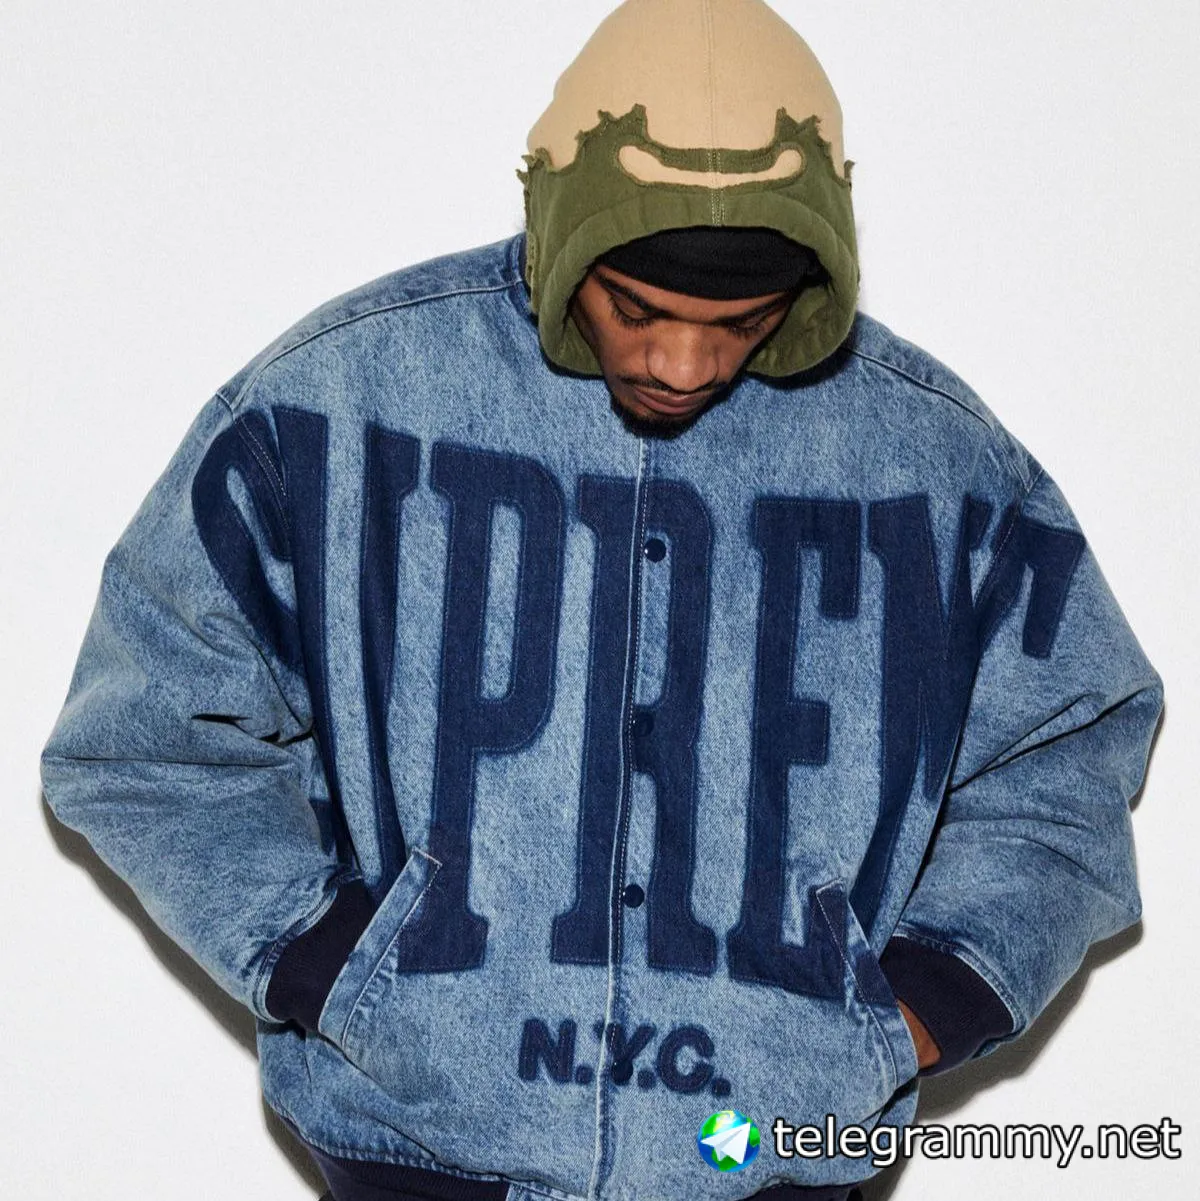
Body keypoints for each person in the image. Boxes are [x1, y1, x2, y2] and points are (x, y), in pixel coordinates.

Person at [39, 2, 1163, 1199]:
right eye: (638, 308)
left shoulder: (936, 465)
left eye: (740, 324)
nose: (683, 363)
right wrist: (335, 962)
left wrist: (915, 1004)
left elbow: (1064, 756)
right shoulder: (335, 405)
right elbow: (143, 735)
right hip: (418, 1150)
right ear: (564, 232)